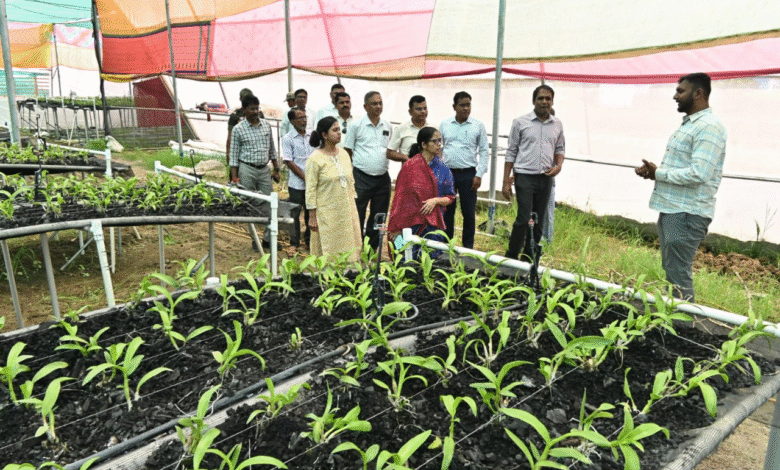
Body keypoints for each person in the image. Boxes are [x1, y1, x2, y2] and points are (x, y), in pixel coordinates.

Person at [635, 72, 727, 302]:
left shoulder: (709, 127)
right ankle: (676, 325)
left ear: (698, 94)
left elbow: (700, 173)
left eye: (680, 91)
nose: (675, 96)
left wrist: (660, 173)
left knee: (678, 276)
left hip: (687, 213)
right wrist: (653, 174)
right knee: (672, 271)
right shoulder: (691, 126)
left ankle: (684, 330)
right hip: (674, 208)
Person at [502, 85, 565, 261]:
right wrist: (506, 181)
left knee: (539, 220)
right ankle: (511, 256)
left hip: (545, 178)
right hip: (524, 177)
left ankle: (529, 258)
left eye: (548, 99)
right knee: (523, 219)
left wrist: (558, 166)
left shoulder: (557, 124)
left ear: (552, 101)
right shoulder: (520, 122)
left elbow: (560, 148)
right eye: (541, 98)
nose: (544, 102)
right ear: (533, 101)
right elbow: (511, 152)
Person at [344, 91, 403, 251]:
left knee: (379, 216)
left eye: (380, 103)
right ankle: (355, 249)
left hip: (382, 178)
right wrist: (349, 175)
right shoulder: (356, 126)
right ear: (365, 106)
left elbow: (389, 149)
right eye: (374, 104)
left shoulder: (387, 125)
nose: (378, 106)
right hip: (360, 177)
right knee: (357, 214)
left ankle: (372, 250)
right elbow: (347, 151)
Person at [388, 127, 455, 259]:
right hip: (408, 222)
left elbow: (450, 197)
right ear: (423, 144)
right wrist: (396, 226)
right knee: (404, 255)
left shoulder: (443, 168)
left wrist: (435, 201)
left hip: (432, 223)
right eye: (434, 141)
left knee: (431, 259)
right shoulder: (409, 167)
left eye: (440, 141)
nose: (439, 145)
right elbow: (399, 198)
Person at [305, 117, 363, 262]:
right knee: (328, 248)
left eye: (339, 130)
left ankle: (349, 274)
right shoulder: (315, 159)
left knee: (351, 244)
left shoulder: (344, 154)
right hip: (326, 212)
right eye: (335, 130)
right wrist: (312, 216)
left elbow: (350, 183)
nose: (339, 133)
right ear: (324, 135)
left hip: (347, 210)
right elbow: (310, 189)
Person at [229, 94, 281, 250]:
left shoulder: (266, 125)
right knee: (248, 203)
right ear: (244, 110)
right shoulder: (238, 129)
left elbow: (272, 148)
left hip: (264, 170)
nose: (255, 111)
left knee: (270, 203)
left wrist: (276, 168)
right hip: (247, 169)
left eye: (257, 108)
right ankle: (255, 240)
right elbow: (233, 154)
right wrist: (235, 178)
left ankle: (267, 239)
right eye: (252, 109)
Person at [439, 91, 488, 249]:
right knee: (447, 211)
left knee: (468, 213)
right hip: (448, 174)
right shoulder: (445, 124)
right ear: (454, 107)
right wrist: (440, 171)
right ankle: (447, 246)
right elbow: (439, 148)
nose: (466, 108)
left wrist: (479, 174)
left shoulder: (478, 125)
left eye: (468, 105)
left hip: (469, 174)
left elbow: (484, 151)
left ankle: (468, 248)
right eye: (462, 105)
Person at [282, 107, 313, 249]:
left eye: (305, 117)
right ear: (292, 121)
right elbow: (289, 161)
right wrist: (304, 177)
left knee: (310, 211)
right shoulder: (288, 138)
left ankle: (309, 241)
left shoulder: (311, 136)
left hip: (312, 182)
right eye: (301, 118)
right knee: (295, 213)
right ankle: (294, 243)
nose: (304, 120)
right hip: (296, 184)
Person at [226, 88, 263, 179]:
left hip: (254, 152)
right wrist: (228, 153)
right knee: (236, 177)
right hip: (239, 151)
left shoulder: (259, 114)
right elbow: (230, 136)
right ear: (241, 99)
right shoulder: (235, 115)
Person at [386, 95, 430, 163]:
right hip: (408, 171)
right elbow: (390, 153)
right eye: (419, 109)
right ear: (410, 112)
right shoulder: (401, 129)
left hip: (429, 172)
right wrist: (406, 158)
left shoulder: (433, 128)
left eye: (425, 108)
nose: (423, 111)